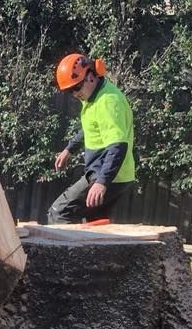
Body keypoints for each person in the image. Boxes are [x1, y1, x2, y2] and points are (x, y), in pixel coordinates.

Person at [48, 54, 136, 224]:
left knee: (59, 212)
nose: (74, 94)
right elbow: (91, 125)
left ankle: (67, 251)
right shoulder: (93, 97)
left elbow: (118, 145)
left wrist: (102, 182)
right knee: (95, 224)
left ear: (90, 76)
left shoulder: (108, 101)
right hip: (115, 175)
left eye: (76, 88)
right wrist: (70, 149)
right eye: (69, 91)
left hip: (108, 175)